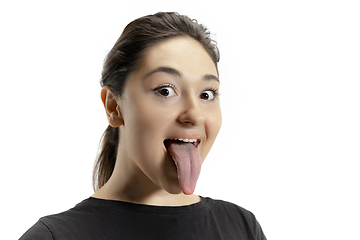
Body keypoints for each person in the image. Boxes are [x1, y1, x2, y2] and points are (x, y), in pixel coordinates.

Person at [19, 12, 267, 239]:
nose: (194, 114)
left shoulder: (242, 227)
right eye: (165, 90)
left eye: (207, 94)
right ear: (114, 107)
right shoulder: (55, 237)